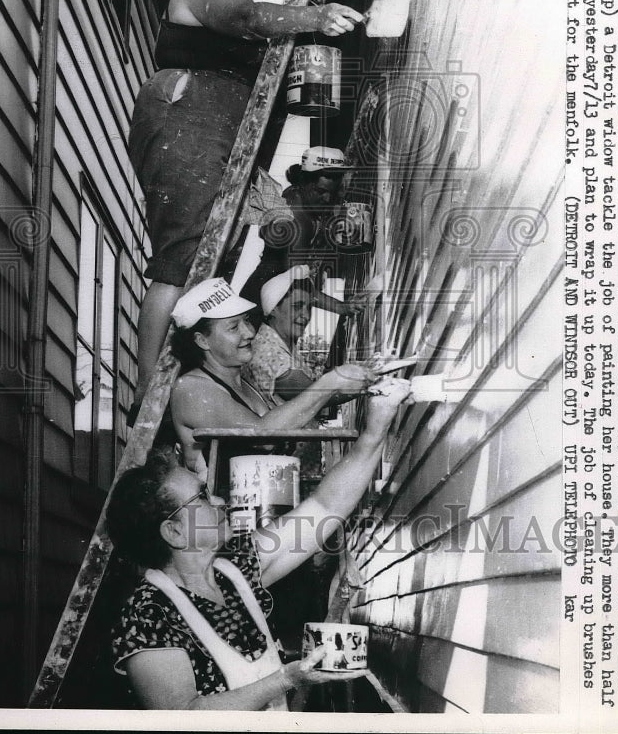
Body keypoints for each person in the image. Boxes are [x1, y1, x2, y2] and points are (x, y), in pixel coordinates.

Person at [129, 0, 364, 413]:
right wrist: (315, 15)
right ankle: (149, 388)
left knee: (217, 259)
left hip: (222, 134)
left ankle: (190, 375)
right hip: (186, 116)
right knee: (183, 258)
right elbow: (246, 18)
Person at [106, 377, 412, 709]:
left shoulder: (235, 569)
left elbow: (324, 508)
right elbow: (183, 715)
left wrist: (375, 429)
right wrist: (287, 679)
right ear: (174, 532)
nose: (220, 500)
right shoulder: (147, 614)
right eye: (202, 497)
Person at [167, 277, 379, 475]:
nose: (249, 333)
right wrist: (329, 383)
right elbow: (262, 435)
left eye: (246, 321)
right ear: (202, 341)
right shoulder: (191, 388)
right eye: (233, 327)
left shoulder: (243, 383)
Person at [239, 146, 367, 324]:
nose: (327, 199)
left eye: (332, 192)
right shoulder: (296, 221)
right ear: (305, 181)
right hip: (261, 305)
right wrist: (341, 307)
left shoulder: (301, 195)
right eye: (321, 192)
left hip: (277, 301)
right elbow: (296, 282)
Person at [245, 264, 319, 405]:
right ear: (273, 309)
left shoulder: (284, 342)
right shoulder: (267, 351)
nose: (306, 315)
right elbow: (317, 395)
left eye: (309, 307)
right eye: (297, 306)